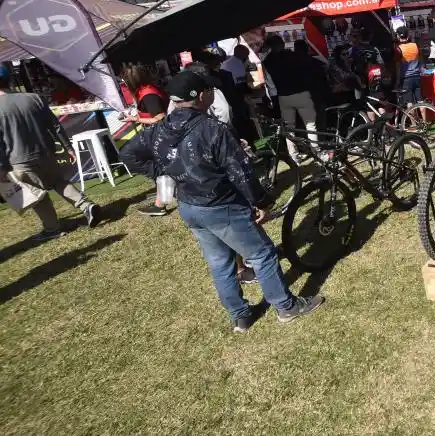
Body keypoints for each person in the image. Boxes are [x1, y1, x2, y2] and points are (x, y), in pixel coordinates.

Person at [120, 69, 321, 332]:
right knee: (262, 254)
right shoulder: (213, 129)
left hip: (190, 206)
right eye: (209, 91)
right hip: (221, 205)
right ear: (202, 95)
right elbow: (241, 173)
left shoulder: (160, 129)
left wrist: (164, 173)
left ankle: (240, 316)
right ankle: (286, 307)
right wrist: (262, 201)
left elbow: (128, 153)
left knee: (219, 261)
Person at [0, 66, 102, 240]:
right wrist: (68, 147)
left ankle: (52, 228)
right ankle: (86, 205)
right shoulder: (34, 98)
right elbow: (55, 125)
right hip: (46, 151)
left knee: (37, 195)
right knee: (58, 182)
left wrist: (2, 167)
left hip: (19, 159)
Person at [121, 63, 175, 217]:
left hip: (159, 135)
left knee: (130, 155)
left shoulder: (148, 94)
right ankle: (162, 198)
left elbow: (160, 118)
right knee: (160, 166)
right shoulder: (146, 90)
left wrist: (138, 120)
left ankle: (163, 196)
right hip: (156, 135)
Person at [260, 34, 317, 158]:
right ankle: (316, 151)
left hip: (283, 96)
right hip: (301, 92)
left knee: (289, 128)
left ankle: (294, 155)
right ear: (282, 43)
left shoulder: (267, 61)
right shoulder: (294, 56)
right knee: (310, 124)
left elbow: (270, 83)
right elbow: (304, 73)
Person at [394, 28, 422, 106]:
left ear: (398, 36)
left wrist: (397, 81)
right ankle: (424, 118)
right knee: (420, 101)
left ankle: (412, 118)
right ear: (408, 35)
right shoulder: (415, 45)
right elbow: (420, 59)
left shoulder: (398, 49)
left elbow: (398, 67)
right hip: (417, 75)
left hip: (406, 78)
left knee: (409, 102)